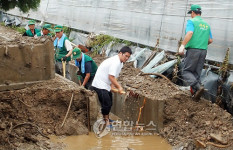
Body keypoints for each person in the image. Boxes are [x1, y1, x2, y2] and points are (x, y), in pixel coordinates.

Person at [91, 46, 132, 129]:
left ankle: (107, 119)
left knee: (110, 103)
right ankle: (106, 122)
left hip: (105, 85)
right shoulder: (115, 62)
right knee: (106, 104)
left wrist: (112, 87)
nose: (127, 58)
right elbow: (111, 77)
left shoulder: (120, 63)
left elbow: (114, 76)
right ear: (120, 53)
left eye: (128, 57)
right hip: (99, 84)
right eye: (126, 56)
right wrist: (119, 87)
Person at [178, 4, 213, 100]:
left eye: (191, 13)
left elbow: (190, 33)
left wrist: (182, 45)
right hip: (203, 51)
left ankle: (198, 87)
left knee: (186, 71)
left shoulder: (191, 21)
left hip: (193, 50)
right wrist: (201, 43)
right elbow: (210, 40)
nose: (191, 15)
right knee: (196, 73)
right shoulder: (206, 25)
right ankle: (195, 95)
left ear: (193, 12)